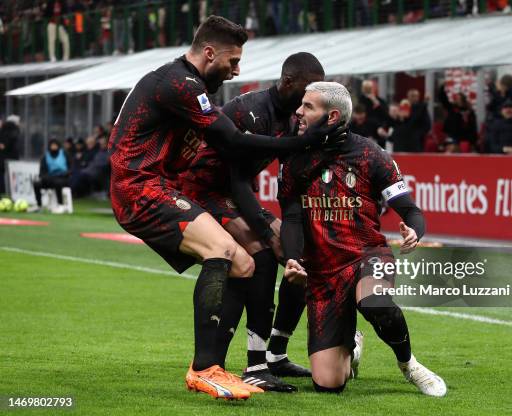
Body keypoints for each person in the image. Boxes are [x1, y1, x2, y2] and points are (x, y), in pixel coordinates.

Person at [108, 15, 337, 401]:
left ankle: (230, 364)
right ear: (209, 52)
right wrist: (303, 143)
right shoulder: (180, 83)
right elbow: (233, 141)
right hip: (138, 186)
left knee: (243, 263)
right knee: (228, 251)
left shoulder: (188, 85)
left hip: (157, 184)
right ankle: (208, 369)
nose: (236, 70)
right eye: (232, 62)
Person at [278, 81, 447, 396]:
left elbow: (411, 211)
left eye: (308, 106)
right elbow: (290, 216)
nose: (299, 112)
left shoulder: (370, 153)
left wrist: (414, 231)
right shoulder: (293, 156)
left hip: (368, 255)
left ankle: (409, 364)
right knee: (329, 386)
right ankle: (351, 345)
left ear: (331, 116)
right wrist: (292, 257)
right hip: (323, 272)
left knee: (375, 303)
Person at [179, 52, 328, 392]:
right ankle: (255, 364)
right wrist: (263, 227)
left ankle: (275, 355)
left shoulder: (291, 117)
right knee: (261, 254)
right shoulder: (252, 111)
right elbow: (237, 181)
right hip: (202, 190)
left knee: (297, 254)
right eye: (305, 91)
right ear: (288, 81)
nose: (307, 100)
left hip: (229, 193)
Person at [32, 139, 71, 211]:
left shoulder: (64, 154)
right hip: (50, 179)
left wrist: (64, 174)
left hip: (63, 178)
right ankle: (39, 205)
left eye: (55, 145)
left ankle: (61, 205)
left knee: (58, 182)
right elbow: (42, 173)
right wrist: (46, 177)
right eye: (52, 145)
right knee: (36, 184)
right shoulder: (45, 156)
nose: (53, 147)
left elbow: (70, 168)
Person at [438, 84, 478, 152]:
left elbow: (473, 125)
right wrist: (442, 88)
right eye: (456, 98)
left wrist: (474, 139)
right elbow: (443, 100)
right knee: (451, 148)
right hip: (453, 134)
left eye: (459, 98)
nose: (457, 99)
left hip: (466, 134)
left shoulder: (469, 111)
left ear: (463, 99)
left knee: (468, 148)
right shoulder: (452, 108)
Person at [0, 115, 21, 195]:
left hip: (2, 158)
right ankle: (11, 192)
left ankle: (3, 192)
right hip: (12, 158)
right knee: (12, 176)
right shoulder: (14, 131)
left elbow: (3, 146)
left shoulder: (3, 130)